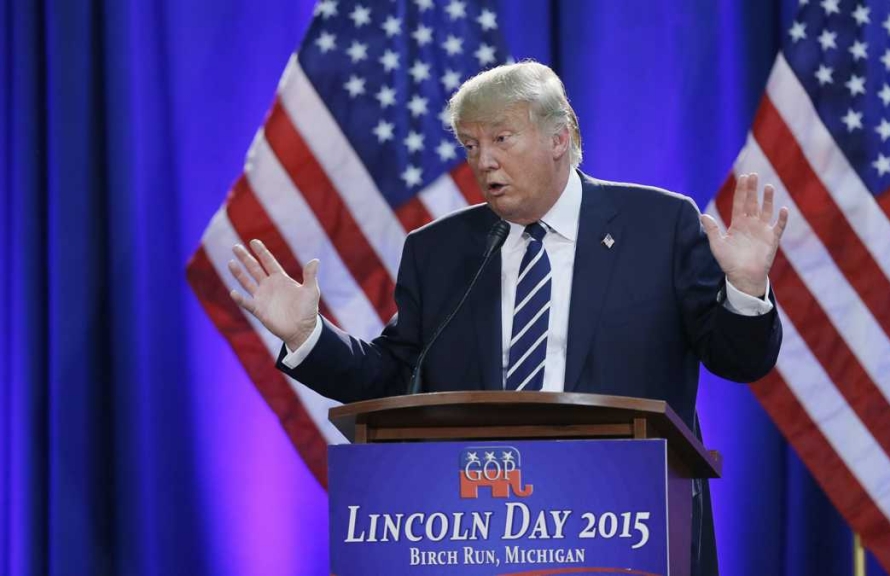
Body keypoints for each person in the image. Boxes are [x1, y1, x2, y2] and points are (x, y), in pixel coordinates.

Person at [227, 61, 787, 575]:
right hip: (478, 533)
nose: (483, 161)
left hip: (624, 526)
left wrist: (744, 287)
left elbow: (739, 359)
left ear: (559, 138)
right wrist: (308, 335)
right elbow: (397, 377)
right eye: (470, 145)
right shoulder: (441, 251)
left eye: (501, 138)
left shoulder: (659, 225)